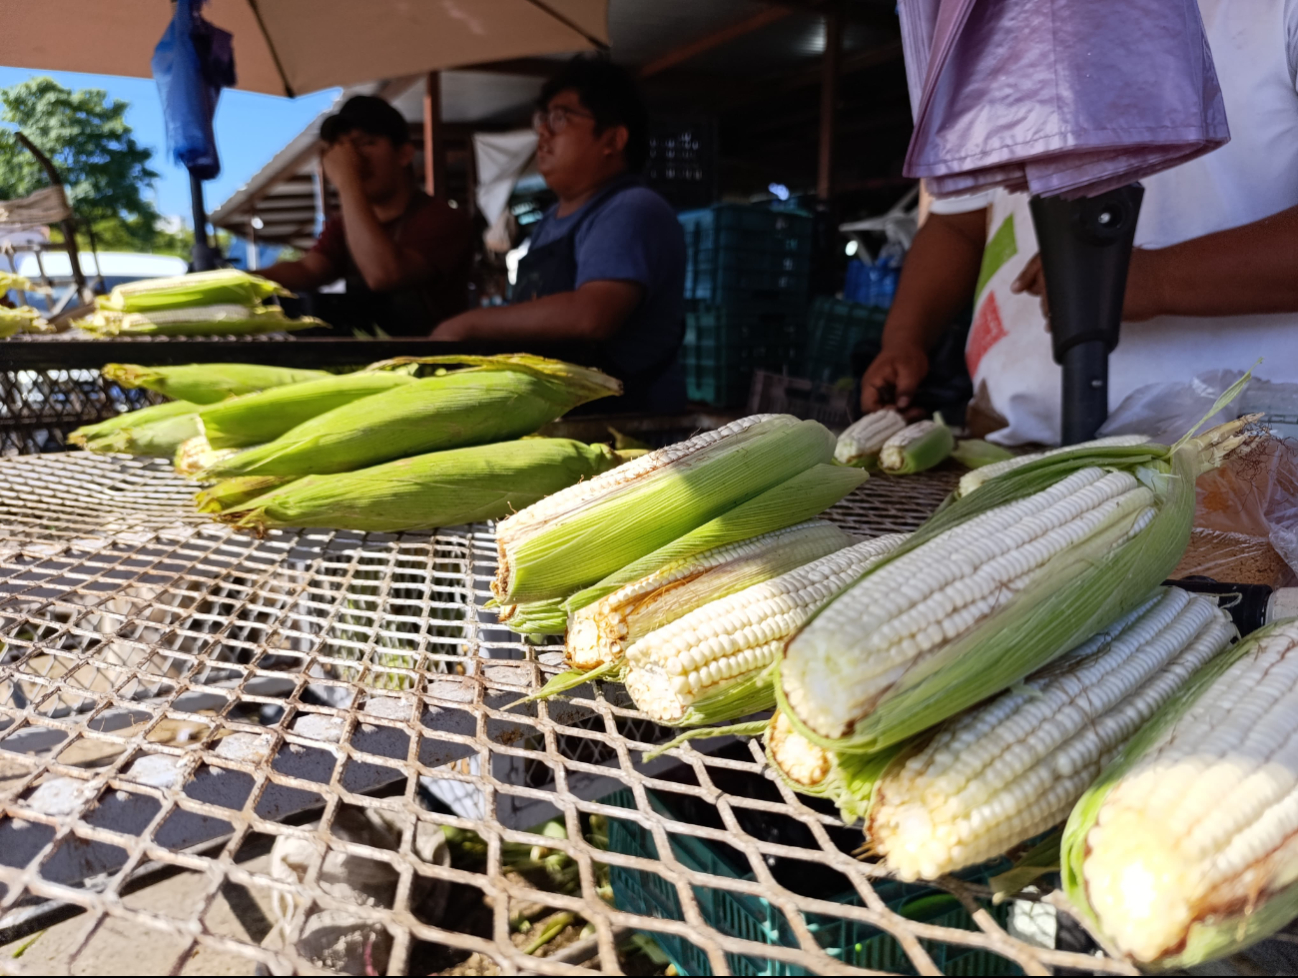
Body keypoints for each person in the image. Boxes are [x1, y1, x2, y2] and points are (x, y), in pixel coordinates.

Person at [863, 0, 1298, 445]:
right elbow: (958, 222)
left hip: (1238, 463)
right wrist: (905, 339)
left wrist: (1157, 280)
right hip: (1011, 445)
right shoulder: (1003, 17)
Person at [432, 57, 687, 414]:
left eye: (560, 118)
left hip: (629, 421)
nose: (543, 133)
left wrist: (469, 324)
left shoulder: (631, 208)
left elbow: (592, 315)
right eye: (543, 120)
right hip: (563, 413)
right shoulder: (551, 219)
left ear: (613, 139)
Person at [261, 95, 471, 336]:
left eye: (366, 143)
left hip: (437, 362)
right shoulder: (344, 224)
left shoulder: (441, 218)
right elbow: (310, 270)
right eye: (343, 147)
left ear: (403, 154)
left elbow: (385, 275)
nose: (354, 158)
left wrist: (347, 181)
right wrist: (239, 279)